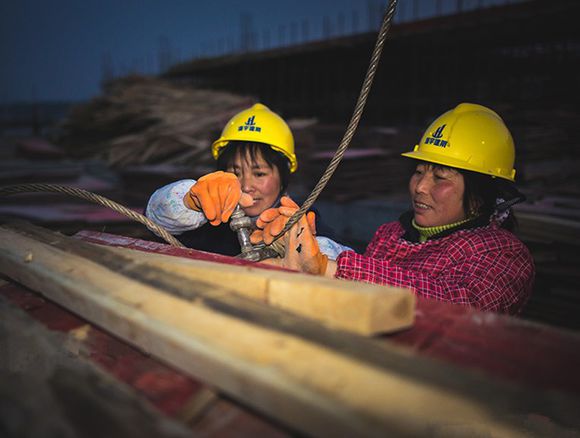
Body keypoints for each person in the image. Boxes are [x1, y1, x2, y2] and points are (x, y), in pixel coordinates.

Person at [253, 103, 535, 315]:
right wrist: (315, 247)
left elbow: (460, 305)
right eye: (419, 172)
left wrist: (330, 268)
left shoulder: (503, 254)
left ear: (481, 191)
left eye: (440, 177)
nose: (420, 187)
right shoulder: (390, 234)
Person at [146, 103, 349, 258]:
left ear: (283, 177)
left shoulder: (305, 219)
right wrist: (189, 201)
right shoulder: (211, 224)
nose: (245, 186)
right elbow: (156, 217)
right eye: (235, 172)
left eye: (259, 174)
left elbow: (343, 259)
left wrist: (302, 242)